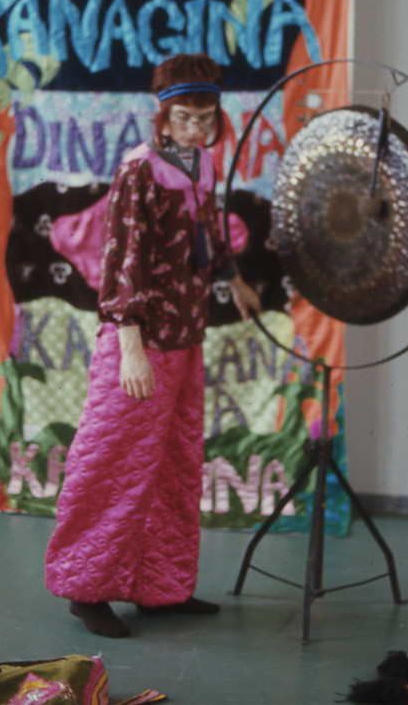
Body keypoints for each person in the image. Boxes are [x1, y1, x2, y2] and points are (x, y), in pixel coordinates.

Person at [45, 52, 261, 638]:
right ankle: (84, 589)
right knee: (110, 463)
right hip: (137, 340)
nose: (196, 126)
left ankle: (160, 588)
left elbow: (209, 231)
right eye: (185, 116)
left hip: (186, 334)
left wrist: (234, 278)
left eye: (206, 116)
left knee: (173, 463)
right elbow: (121, 258)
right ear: (162, 115)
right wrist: (131, 345)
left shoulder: (202, 164)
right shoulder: (138, 170)